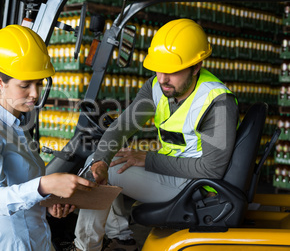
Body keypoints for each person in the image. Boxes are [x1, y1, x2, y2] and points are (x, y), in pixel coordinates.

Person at [73, 18, 239, 251]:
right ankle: (121, 236)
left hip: (198, 188)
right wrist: (101, 160)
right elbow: (121, 128)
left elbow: (211, 170)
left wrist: (147, 159)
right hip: (170, 175)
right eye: (159, 69)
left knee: (108, 170)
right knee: (101, 162)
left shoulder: (217, 102)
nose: (163, 78)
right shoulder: (156, 87)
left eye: (172, 71)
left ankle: (84, 248)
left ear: (196, 66)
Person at [0, 25, 97, 251]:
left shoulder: (17, 126)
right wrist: (46, 184)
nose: (35, 94)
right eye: (25, 85)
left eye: (39, 84)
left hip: (36, 240)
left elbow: (22, 189)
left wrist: (47, 204)